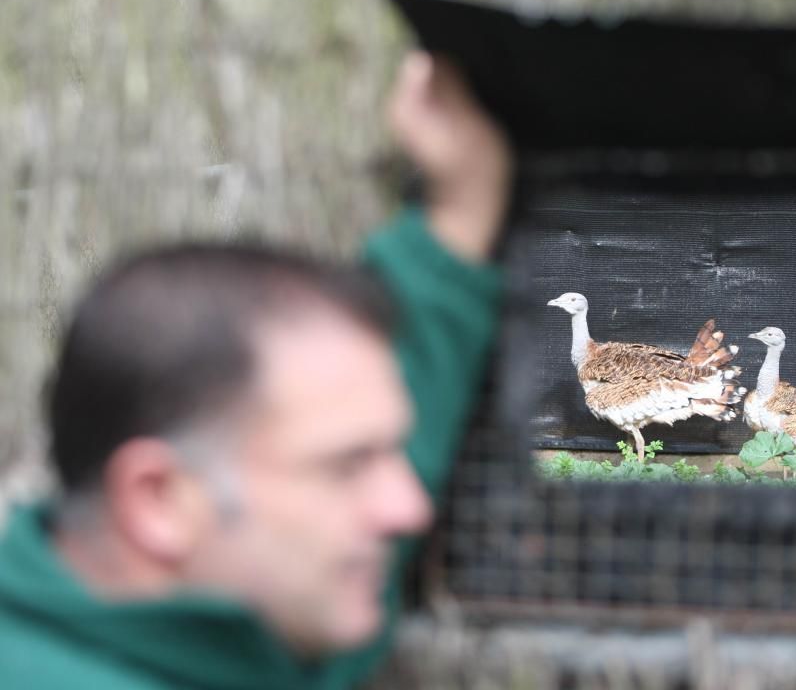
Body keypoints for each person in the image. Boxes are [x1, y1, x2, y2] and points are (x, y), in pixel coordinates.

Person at [0, 52, 513, 689]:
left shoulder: (230, 638)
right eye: (347, 466)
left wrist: (459, 219)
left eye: (390, 455)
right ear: (159, 500)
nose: (409, 509)